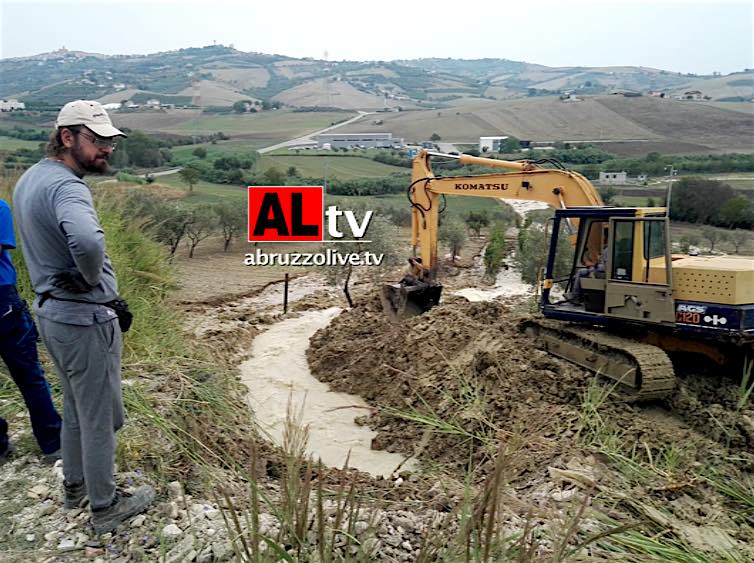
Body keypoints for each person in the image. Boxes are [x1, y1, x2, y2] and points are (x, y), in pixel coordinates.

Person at [12, 100, 154, 534]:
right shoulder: (69, 187)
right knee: (101, 418)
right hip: (84, 319)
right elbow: (88, 244)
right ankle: (105, 507)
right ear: (67, 137)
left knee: (75, 405)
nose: (107, 149)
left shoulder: (31, 178)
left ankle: (74, 487)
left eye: (110, 141)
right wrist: (92, 280)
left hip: (53, 314)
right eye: (97, 140)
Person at [0, 199, 62, 465]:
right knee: (30, 376)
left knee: (30, 375)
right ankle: (53, 445)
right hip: (3, 300)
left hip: (3, 302)